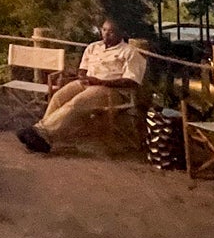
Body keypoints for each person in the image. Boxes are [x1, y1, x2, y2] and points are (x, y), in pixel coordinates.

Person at [16, 19, 144, 153]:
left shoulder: (130, 52)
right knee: (59, 96)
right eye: (104, 30)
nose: (106, 34)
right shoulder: (93, 47)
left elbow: (132, 81)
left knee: (77, 103)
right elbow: (82, 69)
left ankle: (42, 133)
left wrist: (101, 82)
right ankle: (43, 137)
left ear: (121, 34)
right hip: (88, 83)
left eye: (111, 32)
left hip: (112, 90)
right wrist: (83, 77)